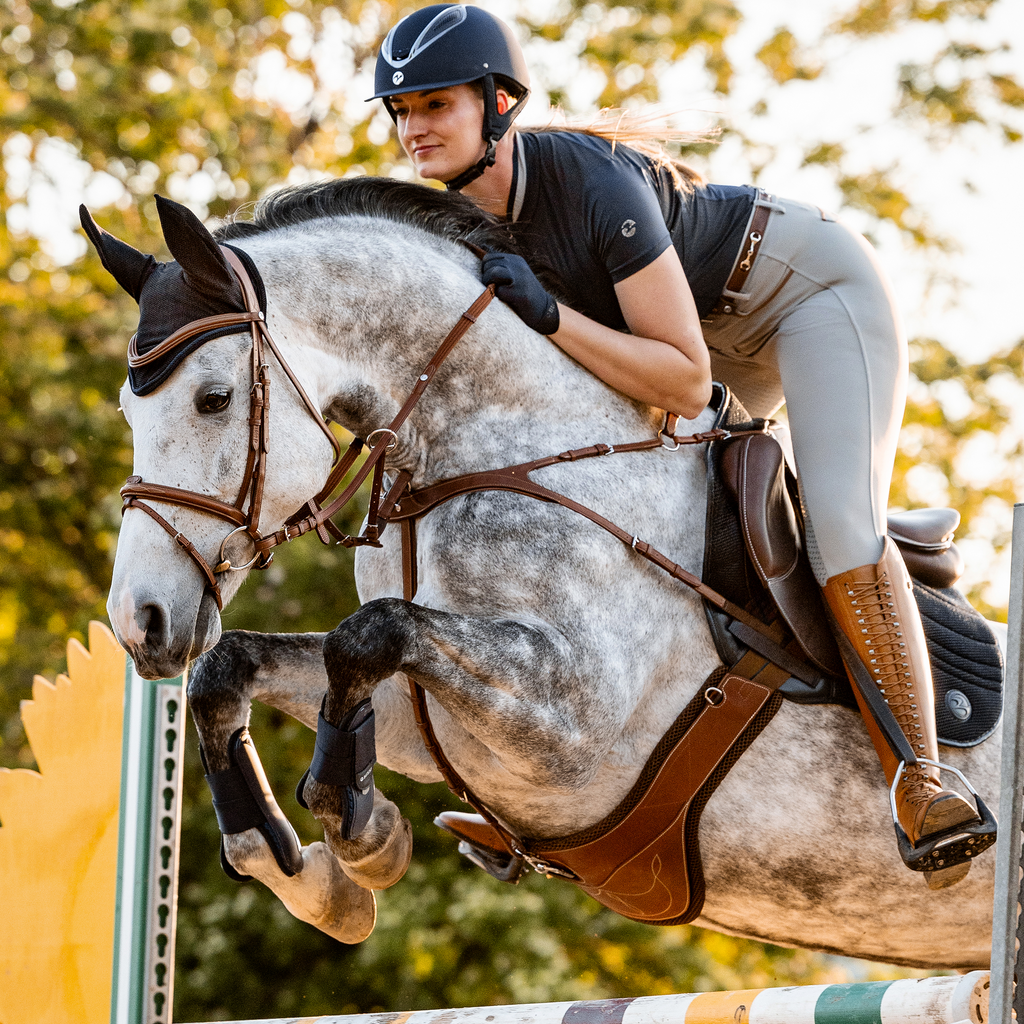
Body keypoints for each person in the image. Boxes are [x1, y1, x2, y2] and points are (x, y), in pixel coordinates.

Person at [369, 3, 988, 886]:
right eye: (400, 111)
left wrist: (550, 317)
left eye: (435, 104)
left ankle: (924, 780)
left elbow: (688, 382)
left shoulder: (587, 178)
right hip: (687, 335)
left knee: (838, 524)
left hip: (804, 297)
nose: (413, 128)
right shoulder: (464, 220)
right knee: (630, 514)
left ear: (499, 103)